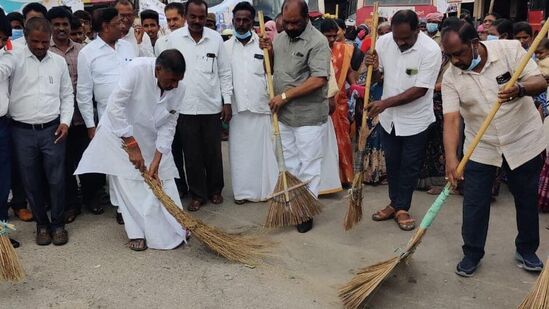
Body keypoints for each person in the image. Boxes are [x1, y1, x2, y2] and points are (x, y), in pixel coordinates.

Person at [441, 21, 547, 276]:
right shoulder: (450, 77)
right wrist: (451, 158)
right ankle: (472, 253)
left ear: (475, 44)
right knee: (475, 202)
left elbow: (539, 81)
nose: (455, 61)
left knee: (526, 199)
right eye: (449, 56)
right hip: (482, 144)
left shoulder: (509, 50)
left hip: (523, 138)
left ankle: (526, 249)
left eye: (459, 53)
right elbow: (452, 119)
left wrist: (520, 89)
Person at [76, 51, 189, 251]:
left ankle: (175, 226)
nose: (174, 86)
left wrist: (157, 158)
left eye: (178, 81)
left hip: (151, 134)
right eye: (171, 80)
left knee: (164, 176)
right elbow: (115, 107)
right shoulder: (136, 69)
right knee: (129, 181)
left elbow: (170, 123)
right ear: (158, 70)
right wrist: (131, 144)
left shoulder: (179, 88)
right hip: (119, 132)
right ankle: (136, 232)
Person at [0, 17, 74, 246]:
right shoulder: (13, 59)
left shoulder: (59, 62)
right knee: (31, 182)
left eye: (45, 41)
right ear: (25, 37)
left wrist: (66, 122)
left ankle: (58, 224)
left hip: (53, 129)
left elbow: (67, 95)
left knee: (57, 180)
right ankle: (41, 225)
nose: (41, 46)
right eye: (35, 42)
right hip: (21, 131)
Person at [366, 10, 441, 231]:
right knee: (392, 162)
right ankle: (394, 203)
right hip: (390, 119)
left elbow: (420, 90)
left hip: (416, 120)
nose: (400, 42)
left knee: (409, 166)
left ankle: (402, 208)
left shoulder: (431, 50)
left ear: (417, 30)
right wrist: (373, 66)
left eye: (406, 38)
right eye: (397, 37)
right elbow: (379, 76)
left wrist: (385, 103)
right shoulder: (384, 41)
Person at [259, 0, 331, 233]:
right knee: (288, 162)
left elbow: (319, 79)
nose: (289, 27)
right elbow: (270, 69)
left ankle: (306, 210)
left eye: (295, 23)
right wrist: (267, 51)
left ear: (307, 18)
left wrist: (285, 96)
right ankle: (293, 204)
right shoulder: (279, 38)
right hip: (284, 115)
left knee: (308, 164)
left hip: (308, 116)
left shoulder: (318, 42)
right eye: (286, 22)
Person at [167, 0, 232, 211]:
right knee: (191, 154)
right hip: (184, 108)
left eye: (201, 17)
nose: (197, 21)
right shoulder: (174, 39)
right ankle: (197, 194)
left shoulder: (215, 39)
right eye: (193, 16)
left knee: (213, 152)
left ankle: (215, 190)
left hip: (211, 106)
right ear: (186, 16)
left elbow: (224, 72)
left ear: (206, 17)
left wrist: (227, 101)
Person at [77, 7, 137, 224]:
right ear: (104, 26)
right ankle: (122, 207)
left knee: (136, 160)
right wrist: (90, 126)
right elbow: (83, 94)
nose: (123, 26)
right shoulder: (88, 53)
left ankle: (137, 201)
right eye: (118, 22)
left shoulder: (129, 47)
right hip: (108, 117)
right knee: (117, 164)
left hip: (134, 115)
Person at [224, 2, 278, 204]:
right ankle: (242, 193)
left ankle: (265, 191)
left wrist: (269, 50)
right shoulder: (226, 47)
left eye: (246, 20)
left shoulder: (263, 44)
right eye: (238, 19)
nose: (241, 23)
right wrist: (226, 103)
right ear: (233, 20)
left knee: (262, 153)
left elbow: (271, 70)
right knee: (240, 155)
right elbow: (224, 78)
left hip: (260, 106)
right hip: (238, 109)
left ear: (252, 21)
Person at [320, 19, 354, 187]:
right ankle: (328, 178)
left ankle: (345, 176)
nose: (332, 40)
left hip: (340, 103)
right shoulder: (316, 50)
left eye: (335, 35)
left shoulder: (344, 51)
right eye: (328, 36)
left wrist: (356, 89)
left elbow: (349, 74)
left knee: (343, 139)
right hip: (320, 101)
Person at [0, 7, 20, 249]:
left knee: (2, 186)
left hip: (2, 127)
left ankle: (2, 235)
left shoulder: (7, 59)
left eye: (3, 39)